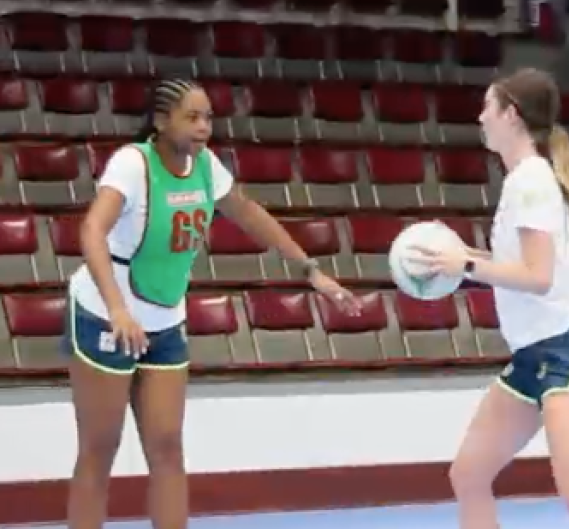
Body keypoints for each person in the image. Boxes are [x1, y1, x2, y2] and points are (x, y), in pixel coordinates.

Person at [64, 78, 362, 529]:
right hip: (104, 315)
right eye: (193, 117)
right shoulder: (132, 164)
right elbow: (91, 232)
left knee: (167, 447)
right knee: (99, 449)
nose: (204, 126)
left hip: (164, 319)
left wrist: (310, 269)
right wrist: (118, 309)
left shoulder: (205, 165)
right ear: (162, 122)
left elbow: (246, 212)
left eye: (209, 117)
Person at [410, 68, 569, 529]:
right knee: (469, 474)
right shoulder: (522, 180)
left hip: (565, 350)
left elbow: (537, 277)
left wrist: (468, 266)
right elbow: (514, 266)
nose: (480, 117)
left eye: (487, 107)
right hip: (531, 356)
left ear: (511, 116)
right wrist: (457, 257)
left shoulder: (532, 182)